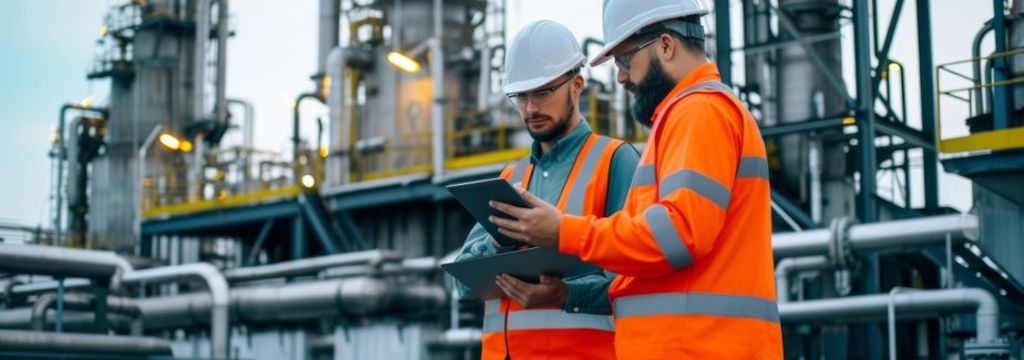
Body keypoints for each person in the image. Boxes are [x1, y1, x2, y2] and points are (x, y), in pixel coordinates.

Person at [486, 1, 783, 358]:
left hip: (699, 346)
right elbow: (650, 252)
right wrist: (569, 292)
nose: (621, 76)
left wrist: (563, 231)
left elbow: (677, 233)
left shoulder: (699, 111)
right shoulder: (684, 117)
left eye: (625, 59)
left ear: (666, 45)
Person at [453, 19, 640, 360]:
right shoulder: (511, 177)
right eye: (520, 96)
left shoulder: (616, 161)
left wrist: (566, 294)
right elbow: (462, 282)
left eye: (542, 92)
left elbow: (639, 282)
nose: (530, 108)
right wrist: (497, 242)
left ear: (577, 84)